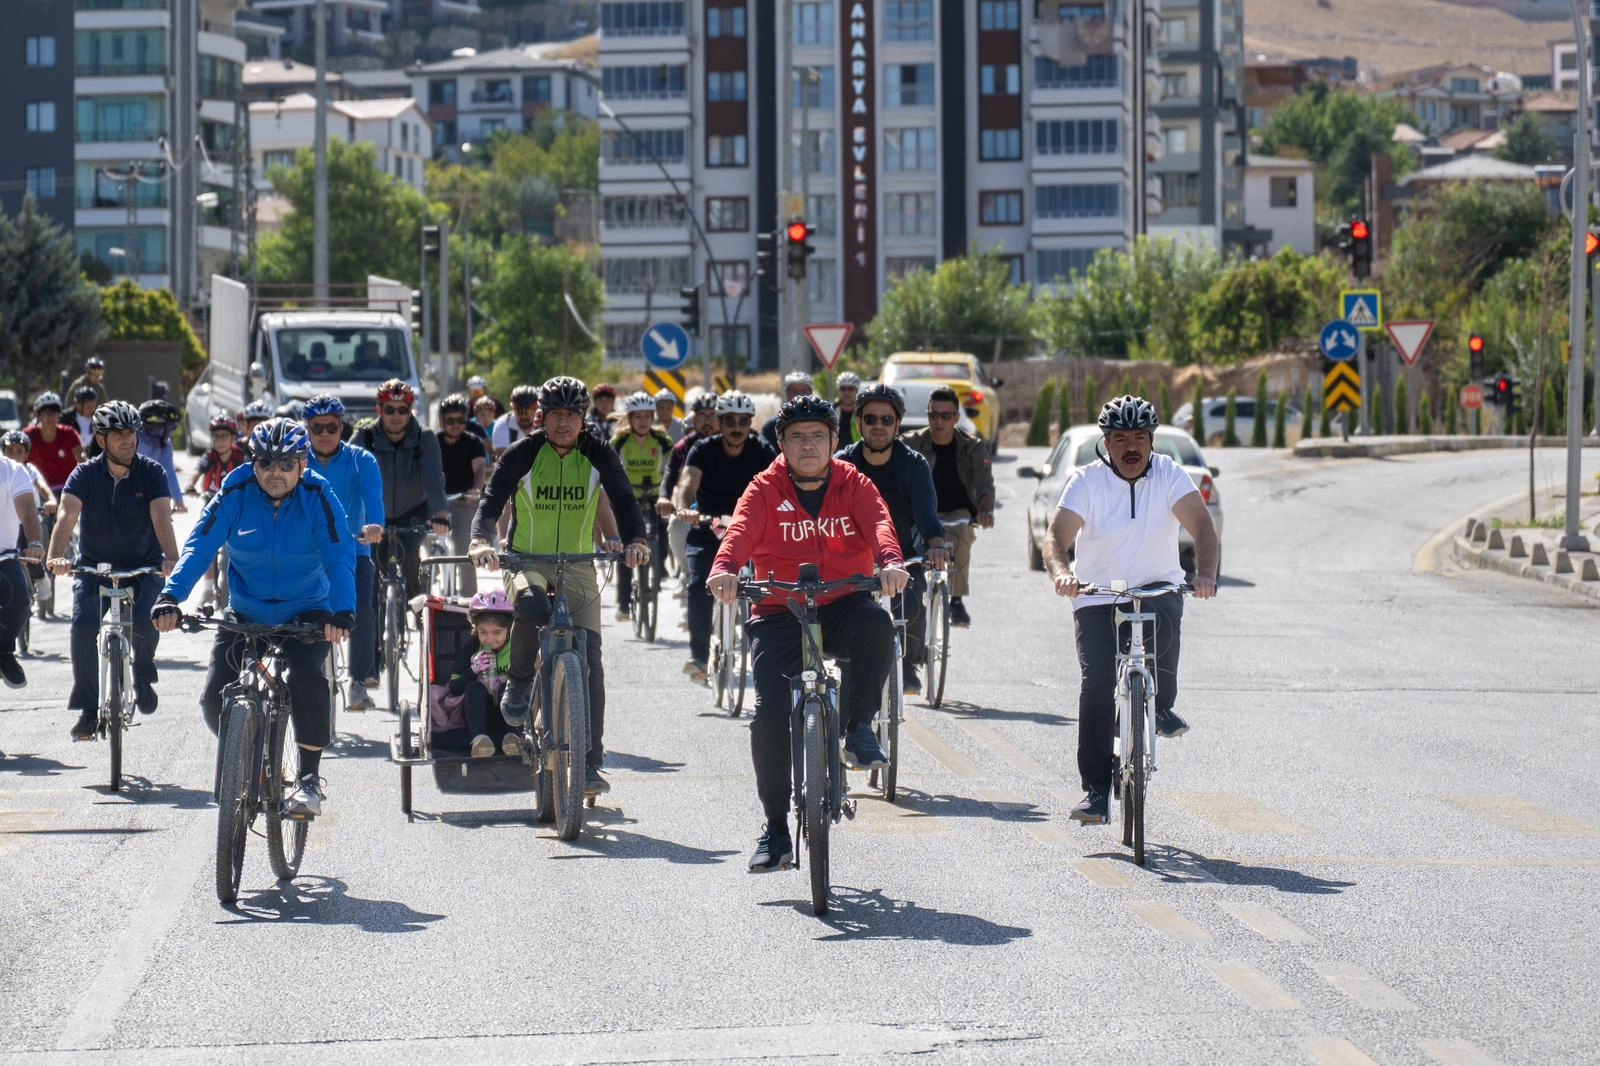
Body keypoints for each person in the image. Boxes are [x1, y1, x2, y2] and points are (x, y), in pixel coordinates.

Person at [707, 396, 909, 872]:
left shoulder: (853, 482)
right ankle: (776, 830)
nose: (808, 445)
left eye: (818, 435)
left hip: (842, 601)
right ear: (781, 444)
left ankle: (858, 727)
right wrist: (725, 569)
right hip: (780, 610)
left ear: (836, 441)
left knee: (879, 626)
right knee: (769, 716)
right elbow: (738, 533)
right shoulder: (763, 487)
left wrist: (890, 562)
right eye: (797, 437)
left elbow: (880, 522)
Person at [153, 418, 357, 819]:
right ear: (253, 463)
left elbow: (339, 556)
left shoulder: (319, 494)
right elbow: (198, 547)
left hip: (307, 611)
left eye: (285, 464)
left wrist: (343, 611)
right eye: (265, 463)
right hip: (246, 610)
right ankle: (245, 756)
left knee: (306, 678)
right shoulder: (235, 490)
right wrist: (170, 596)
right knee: (214, 699)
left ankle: (308, 780)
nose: (275, 473)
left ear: (302, 463)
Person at [468, 376, 650, 796]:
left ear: (583, 419)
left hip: (580, 562)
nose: (564, 423)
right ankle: (518, 681)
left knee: (591, 659)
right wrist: (481, 541)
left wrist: (636, 540)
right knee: (531, 608)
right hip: (526, 559)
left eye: (572, 415)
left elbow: (622, 498)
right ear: (542, 417)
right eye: (556, 415)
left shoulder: (598, 452)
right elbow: (491, 500)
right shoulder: (523, 453)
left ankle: (590, 764)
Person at [1042, 396, 1219, 825]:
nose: (1131, 446)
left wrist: (1205, 575)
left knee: (1166, 630)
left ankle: (1158, 707)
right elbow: (1056, 538)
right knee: (1098, 681)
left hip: (1158, 589)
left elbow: (1202, 529)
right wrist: (1062, 574)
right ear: (1107, 443)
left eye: (1139, 437)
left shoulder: (1169, 474)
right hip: (1098, 596)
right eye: (1120, 438)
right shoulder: (1086, 481)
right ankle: (1096, 791)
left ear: (1152, 440)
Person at [45, 401, 180, 739]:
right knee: (82, 627)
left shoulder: (152, 472)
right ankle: (89, 710)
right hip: (94, 569)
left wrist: (171, 558)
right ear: (102, 440)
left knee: (148, 622)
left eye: (131, 432)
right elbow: (67, 514)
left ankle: (144, 672)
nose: (128, 440)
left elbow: (161, 517)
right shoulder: (85, 473)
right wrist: (56, 555)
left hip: (144, 566)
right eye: (119, 434)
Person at [835, 383, 949, 695]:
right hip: (852, 559)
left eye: (887, 420)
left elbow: (927, 514)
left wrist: (936, 545)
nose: (878, 427)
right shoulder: (842, 464)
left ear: (898, 424)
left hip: (903, 555)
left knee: (910, 602)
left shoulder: (913, 464)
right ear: (859, 423)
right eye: (870, 419)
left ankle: (908, 663)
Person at [672, 391, 775, 683]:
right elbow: (686, 483)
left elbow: (779, 482)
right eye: (730, 420)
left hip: (751, 533)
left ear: (750, 422)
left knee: (769, 587)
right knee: (697, 585)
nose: (737, 427)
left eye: (744, 420)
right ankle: (700, 657)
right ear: (719, 422)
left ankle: (769, 651)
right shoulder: (703, 449)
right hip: (707, 529)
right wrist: (684, 508)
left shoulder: (762, 450)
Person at [354, 380, 447, 677]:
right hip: (373, 518)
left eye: (402, 410)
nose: (396, 416)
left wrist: (441, 513)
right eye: (389, 410)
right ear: (379, 409)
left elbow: (434, 478)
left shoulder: (425, 438)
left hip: (412, 514)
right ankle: (371, 659)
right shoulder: (365, 436)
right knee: (368, 584)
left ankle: (419, 620)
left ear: (411, 411)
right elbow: (350, 478)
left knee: (409, 562)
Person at [302, 395, 386, 709]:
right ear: (307, 429)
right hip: (309, 552)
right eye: (317, 427)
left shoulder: (361, 460)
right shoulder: (297, 460)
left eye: (331, 427)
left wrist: (375, 526)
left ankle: (358, 681)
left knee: (362, 605)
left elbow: (374, 501)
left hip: (354, 549)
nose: (324, 433)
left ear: (342, 426)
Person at [903, 386, 995, 628]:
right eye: (934, 415)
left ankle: (955, 600)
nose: (939, 421)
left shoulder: (972, 447)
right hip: (920, 515)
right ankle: (910, 598)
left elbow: (985, 484)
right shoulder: (910, 443)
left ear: (956, 418)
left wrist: (986, 510)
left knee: (962, 532)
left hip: (958, 514)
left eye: (946, 416)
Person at [610, 391, 672, 621]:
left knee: (663, 530)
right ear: (630, 418)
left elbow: (673, 466)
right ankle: (624, 604)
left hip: (655, 494)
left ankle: (660, 565)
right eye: (638, 417)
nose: (643, 421)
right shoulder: (619, 441)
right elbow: (609, 468)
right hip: (628, 497)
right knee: (627, 548)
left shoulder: (662, 440)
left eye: (648, 416)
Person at [439, 588, 520, 758]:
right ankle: (480, 741)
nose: (490, 639)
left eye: (497, 632)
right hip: (478, 717)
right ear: (476, 630)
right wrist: (472, 671)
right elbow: (454, 688)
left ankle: (514, 738)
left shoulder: (517, 649)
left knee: (511, 686)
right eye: (483, 632)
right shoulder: (472, 648)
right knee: (474, 687)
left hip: (511, 716)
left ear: (509, 629)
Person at [184, 416, 247, 607]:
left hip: (235, 507)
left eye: (224, 436)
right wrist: (190, 485)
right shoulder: (209, 457)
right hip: (212, 504)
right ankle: (208, 590)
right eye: (216, 436)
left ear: (233, 438)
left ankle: (235, 591)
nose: (220, 441)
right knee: (207, 546)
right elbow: (196, 472)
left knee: (234, 549)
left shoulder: (240, 457)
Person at [659, 391, 719, 583]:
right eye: (701, 415)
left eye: (713, 415)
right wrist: (664, 497)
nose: (707, 421)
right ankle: (687, 571)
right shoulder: (683, 447)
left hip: (729, 506)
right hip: (694, 506)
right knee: (676, 526)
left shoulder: (734, 441)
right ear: (693, 419)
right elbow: (669, 474)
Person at [0, 449, 46, 687]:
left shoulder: (12, 470)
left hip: (3, 556)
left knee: (19, 595)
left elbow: (28, 510)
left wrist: (35, 543)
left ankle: (5, 652)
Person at [437, 393, 487, 595]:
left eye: (460, 420)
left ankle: (469, 602)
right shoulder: (432, 441)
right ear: (442, 421)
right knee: (419, 547)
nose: (455, 425)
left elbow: (480, 470)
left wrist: (476, 490)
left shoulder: (474, 442)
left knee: (463, 551)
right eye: (450, 420)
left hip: (464, 501)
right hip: (437, 502)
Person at [2, 431, 56, 602]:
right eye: (10, 450)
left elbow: (42, 487)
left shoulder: (29, 470)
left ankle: (41, 578)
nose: (15, 455)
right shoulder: (4, 469)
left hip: (29, 522)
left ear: (26, 453)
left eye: (19, 451)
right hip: (10, 527)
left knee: (31, 552)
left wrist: (51, 500)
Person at [24, 392, 83, 496]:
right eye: (46, 412)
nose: (50, 416)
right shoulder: (28, 435)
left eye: (54, 411)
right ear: (38, 415)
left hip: (67, 490)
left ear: (59, 414)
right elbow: (18, 462)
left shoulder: (69, 434)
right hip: (37, 491)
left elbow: (81, 459)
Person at [137, 399, 185, 512]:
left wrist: (178, 500)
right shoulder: (135, 438)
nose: (171, 431)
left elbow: (168, 472)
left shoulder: (165, 444)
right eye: (169, 427)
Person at [759, 372, 815, 449]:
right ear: (787, 394)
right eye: (794, 391)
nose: (799, 395)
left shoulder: (823, 423)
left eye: (804, 391)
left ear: (811, 393)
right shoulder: (771, 426)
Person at [492, 385, 540, 456]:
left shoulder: (544, 424)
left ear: (536, 409)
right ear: (513, 409)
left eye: (529, 412)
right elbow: (502, 459)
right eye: (519, 411)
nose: (524, 416)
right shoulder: (502, 424)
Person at [835, 371, 862, 446]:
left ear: (856, 391)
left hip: (856, 455)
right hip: (835, 455)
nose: (846, 392)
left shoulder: (862, 412)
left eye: (850, 389)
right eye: (843, 388)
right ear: (839, 391)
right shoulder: (831, 411)